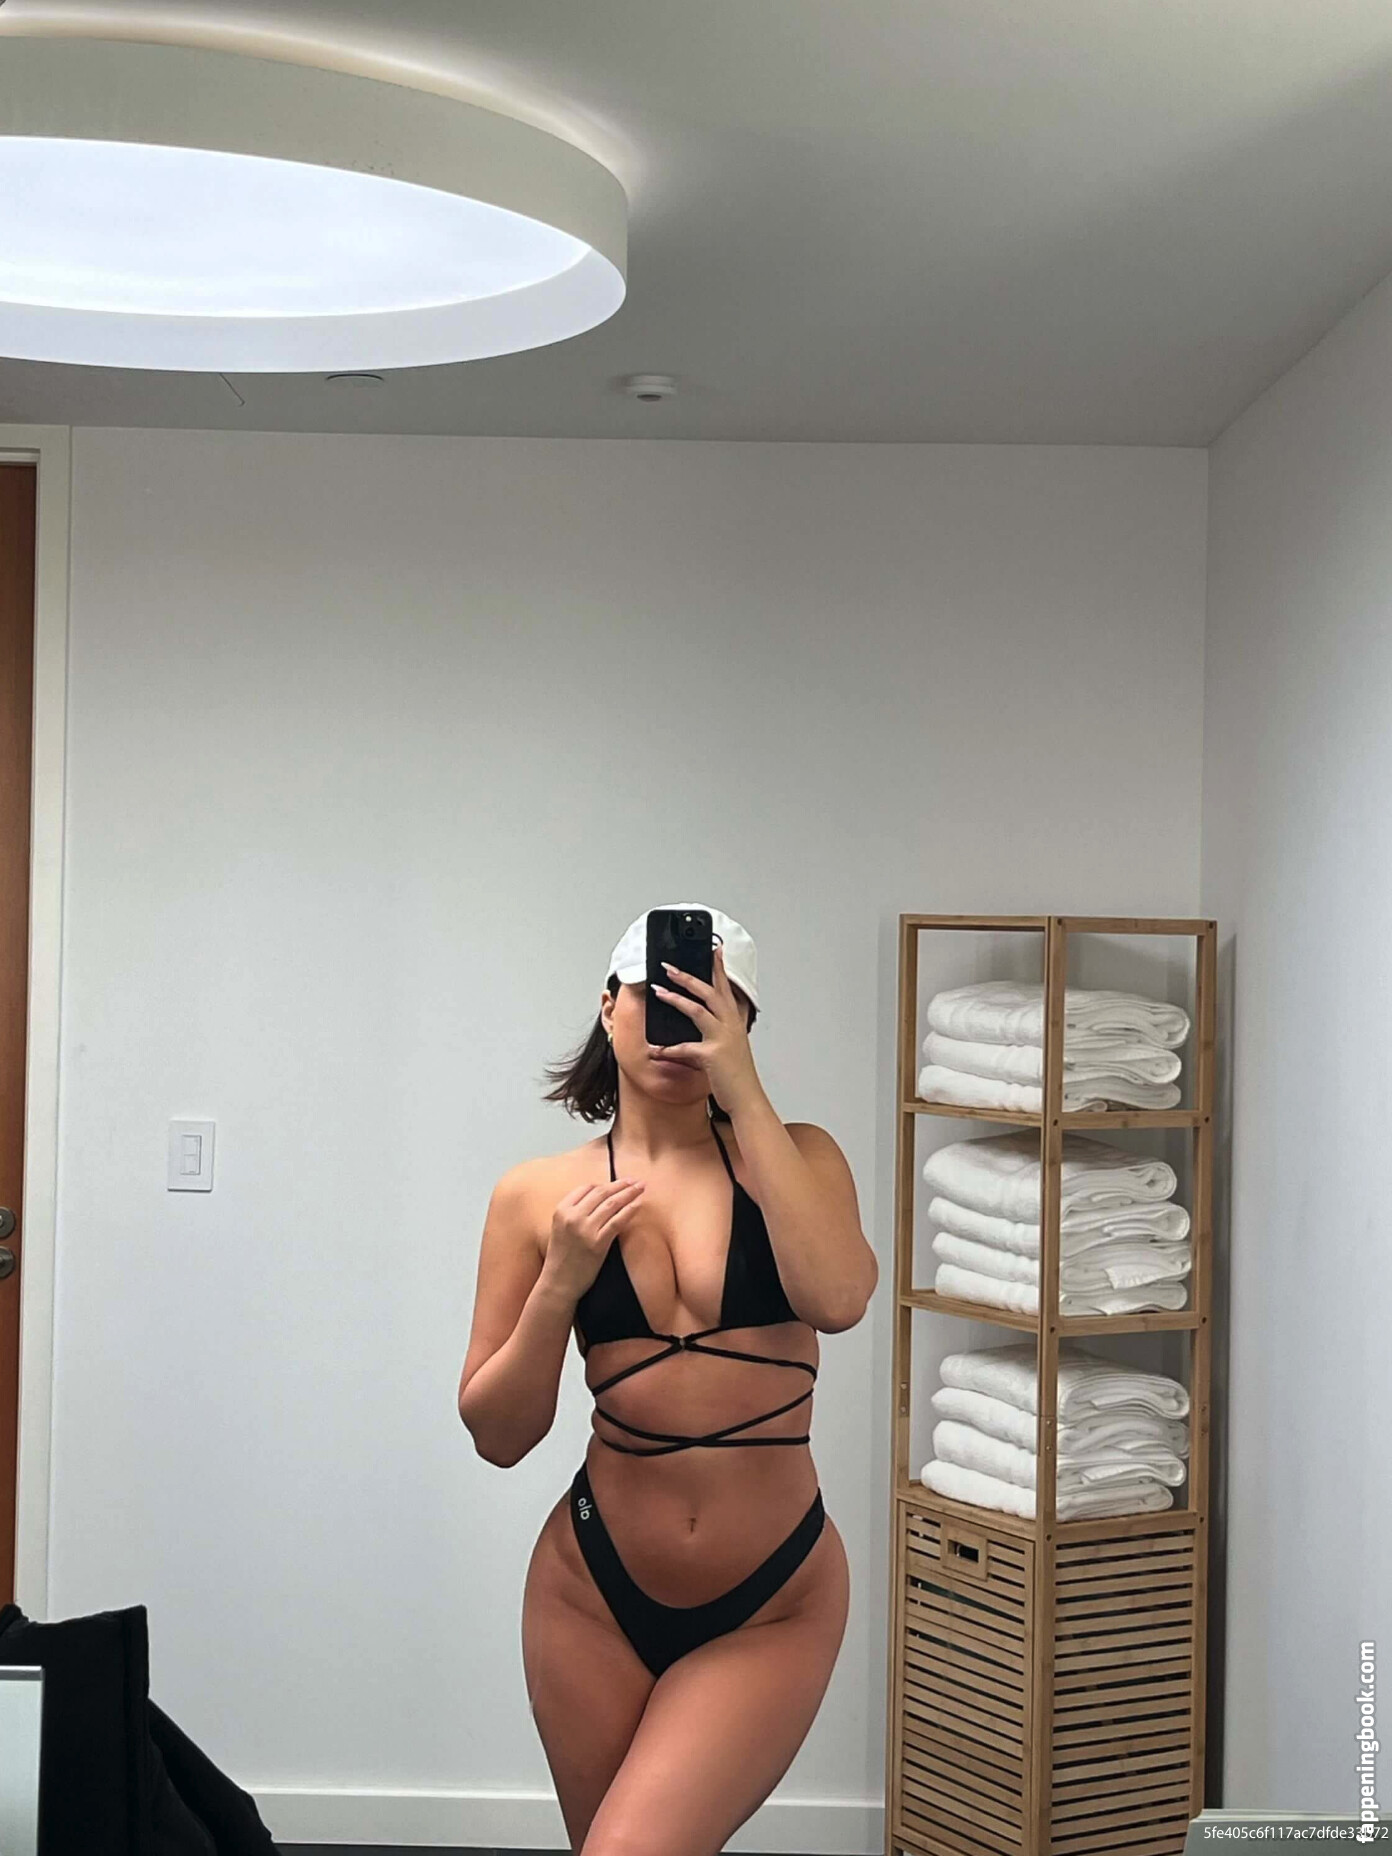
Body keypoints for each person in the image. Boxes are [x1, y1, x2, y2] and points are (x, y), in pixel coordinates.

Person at [458, 903, 877, 1856]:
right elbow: (497, 1433)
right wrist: (560, 1282)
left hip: (773, 1600)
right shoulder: (534, 1195)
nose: (673, 1023)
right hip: (588, 1595)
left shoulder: (801, 1158)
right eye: (656, 997)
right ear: (609, 1007)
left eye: (708, 1002)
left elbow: (840, 1298)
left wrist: (745, 1091)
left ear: (742, 1023)